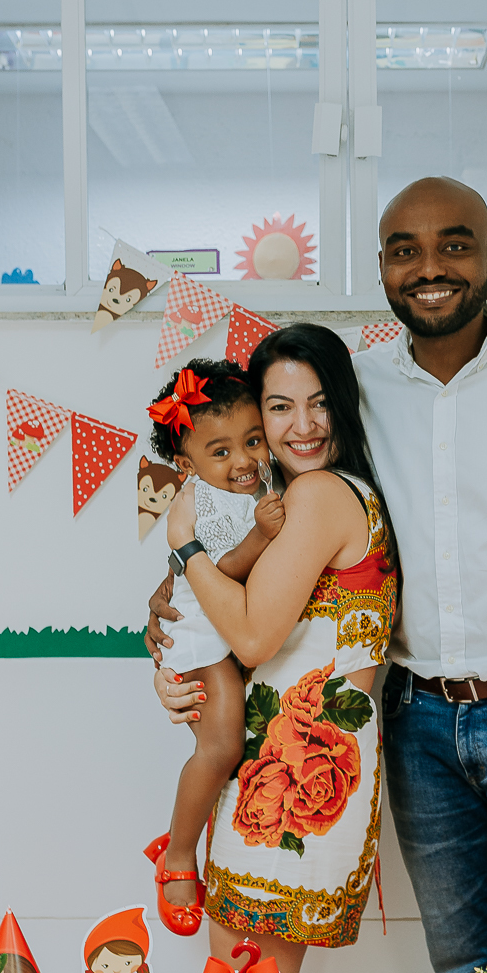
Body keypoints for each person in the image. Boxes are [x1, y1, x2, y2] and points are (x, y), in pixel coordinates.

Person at [149, 176, 487, 973]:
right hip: (417, 717)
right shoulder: (352, 388)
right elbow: (258, 508)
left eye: (454, 245)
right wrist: (169, 615)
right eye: (405, 251)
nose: (430, 267)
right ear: (385, 270)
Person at [153, 324, 397, 973]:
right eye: (281, 406)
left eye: (319, 402)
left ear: (343, 402)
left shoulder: (318, 495)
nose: (303, 426)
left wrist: (184, 549)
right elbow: (240, 628)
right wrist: (172, 657)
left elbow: (254, 634)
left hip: (293, 777)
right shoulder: (303, 500)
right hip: (287, 768)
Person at [144, 359, 285, 934]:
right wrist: (262, 535)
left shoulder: (263, 482)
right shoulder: (200, 502)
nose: (244, 460)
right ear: (187, 465)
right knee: (223, 741)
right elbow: (220, 568)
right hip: (204, 635)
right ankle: (177, 853)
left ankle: (193, 833)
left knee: (234, 749)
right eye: (221, 451)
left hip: (231, 631)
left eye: (253, 441)